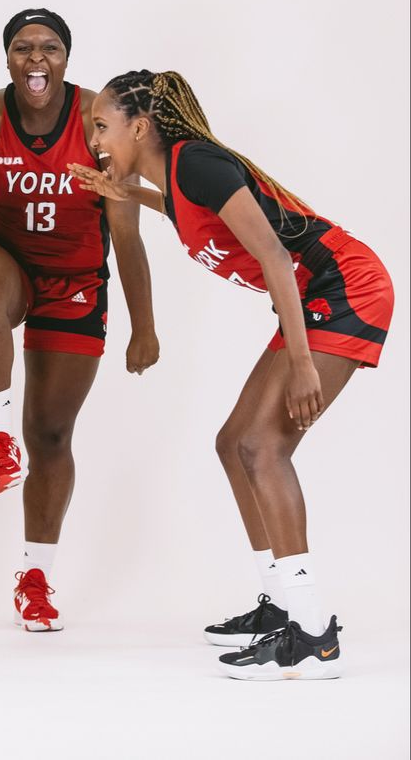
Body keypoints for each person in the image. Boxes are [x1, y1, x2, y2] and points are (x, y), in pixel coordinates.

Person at [69, 70, 393, 679]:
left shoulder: (198, 163)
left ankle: (314, 634)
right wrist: (126, 193)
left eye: (103, 128)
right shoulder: (177, 179)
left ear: (140, 128)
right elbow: (184, 213)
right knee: (232, 443)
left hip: (347, 289)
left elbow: (272, 252)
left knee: (263, 447)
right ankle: (280, 603)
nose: (97, 142)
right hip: (314, 297)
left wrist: (301, 364)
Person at [0, 10, 159, 631]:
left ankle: (35, 579)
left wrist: (144, 326)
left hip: (76, 281)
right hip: (6, 260)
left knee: (53, 437)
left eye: (50, 48)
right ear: (6, 57)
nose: (36, 59)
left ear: (67, 56)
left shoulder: (98, 122)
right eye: (22, 48)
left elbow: (127, 234)